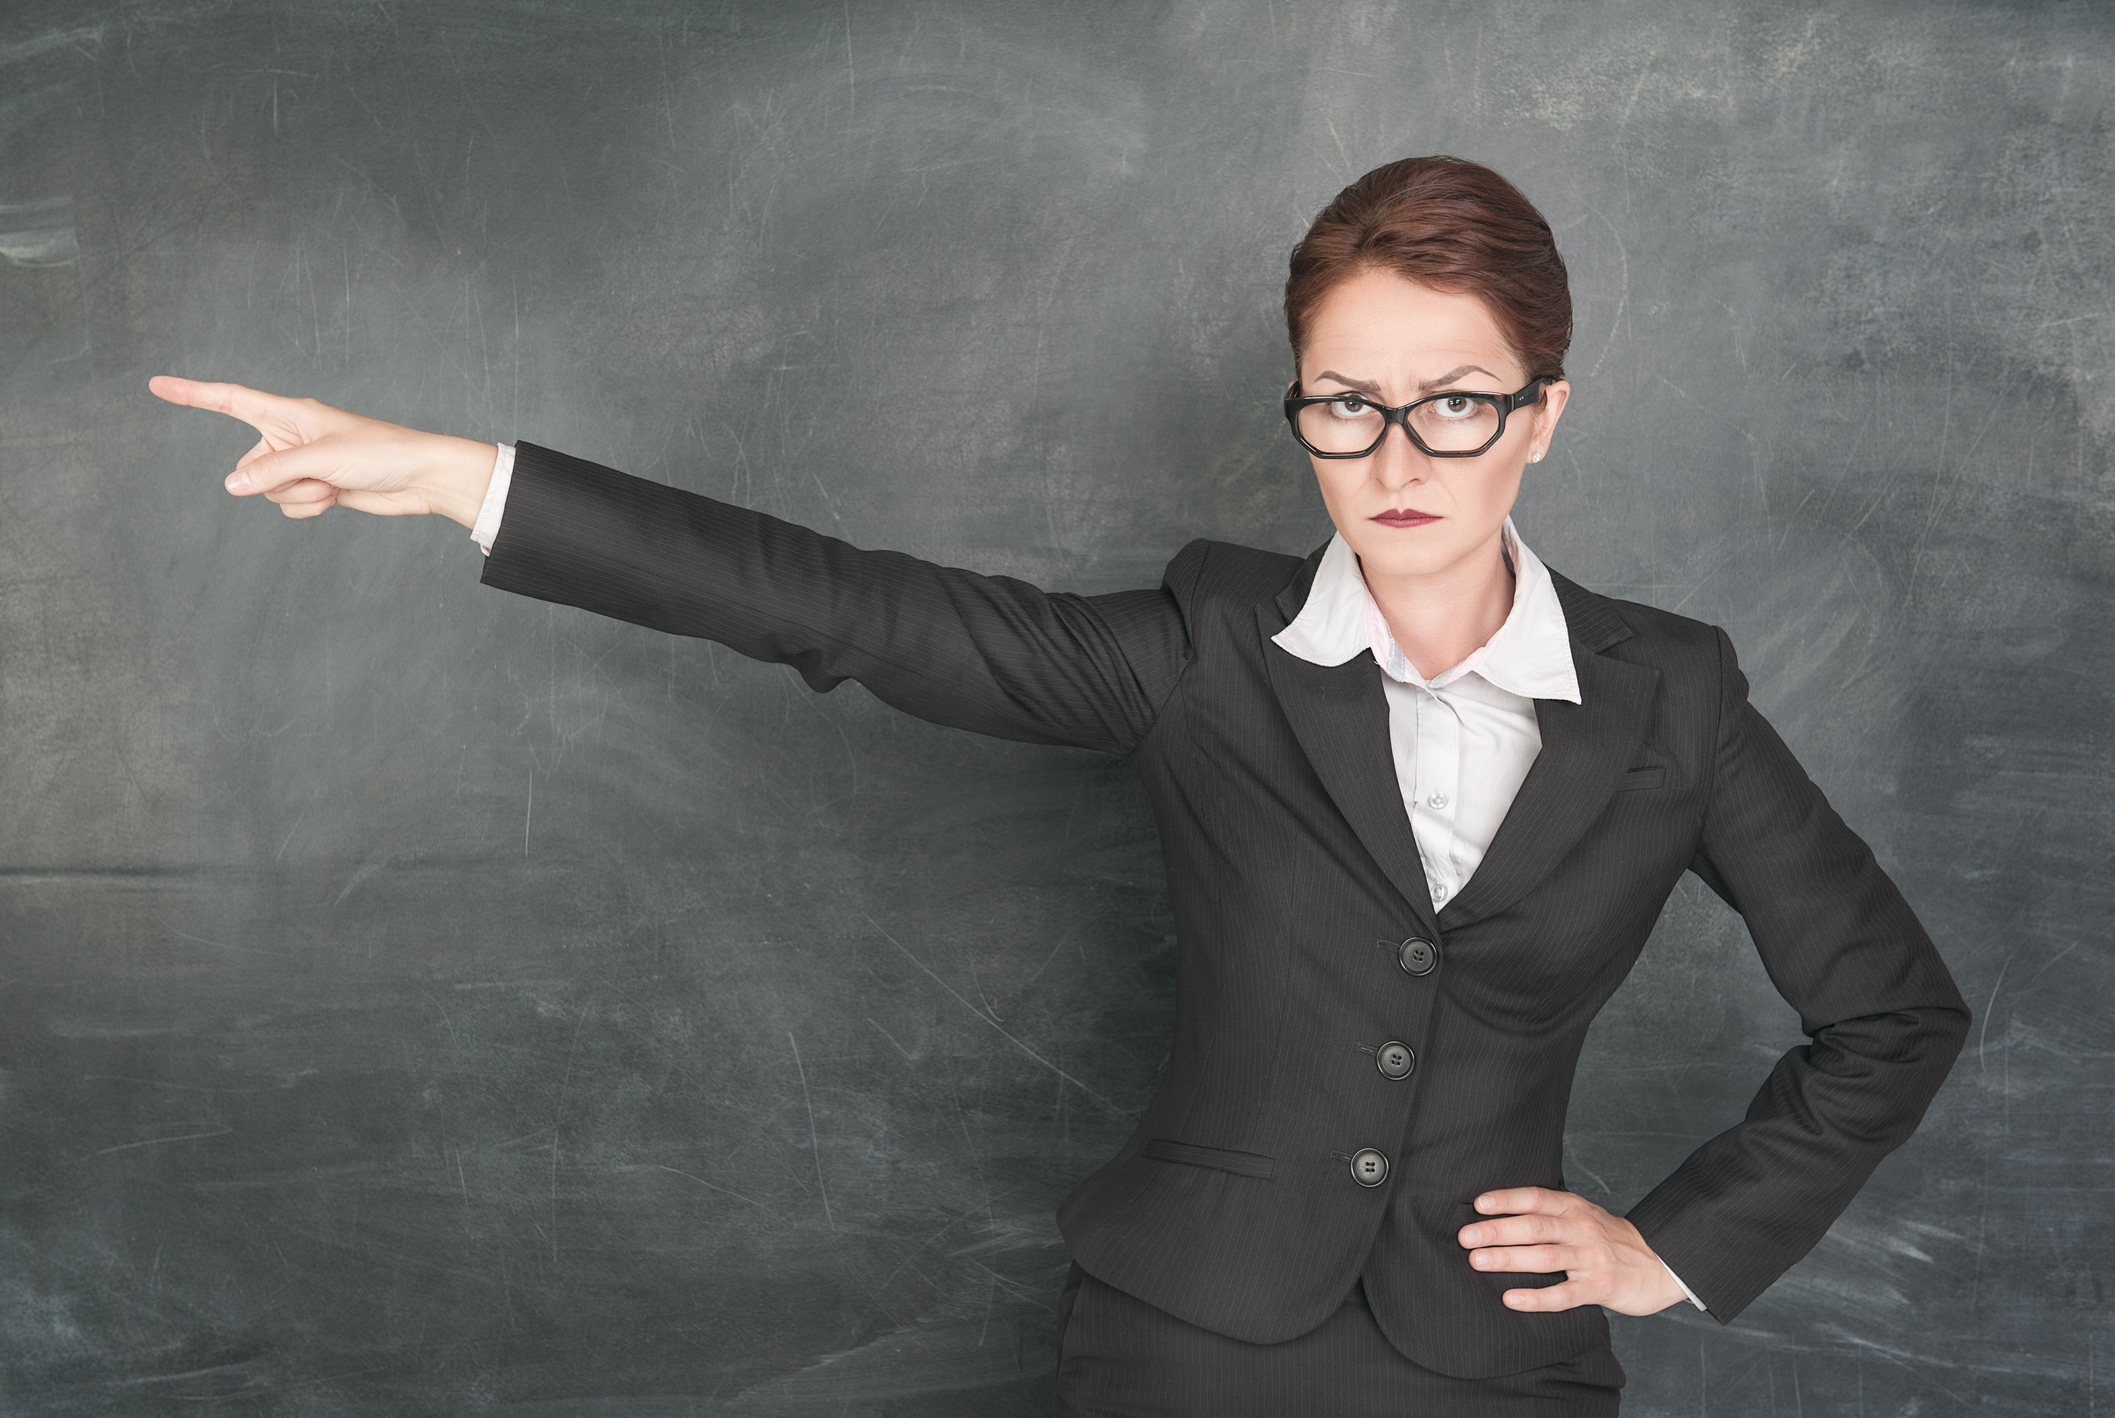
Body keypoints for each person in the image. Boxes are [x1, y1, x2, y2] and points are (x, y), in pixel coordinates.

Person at [153, 156, 1969, 1416]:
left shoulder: (1672, 692)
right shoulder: (1202, 648)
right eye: (1345, 402)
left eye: (1455, 403)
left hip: (1499, 1369)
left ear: (1544, 413)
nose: (1396, 454)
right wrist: (477, 478)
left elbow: (1891, 1012)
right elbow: (854, 610)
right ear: (1300, 404)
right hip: (1181, 1350)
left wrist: (1669, 1249)